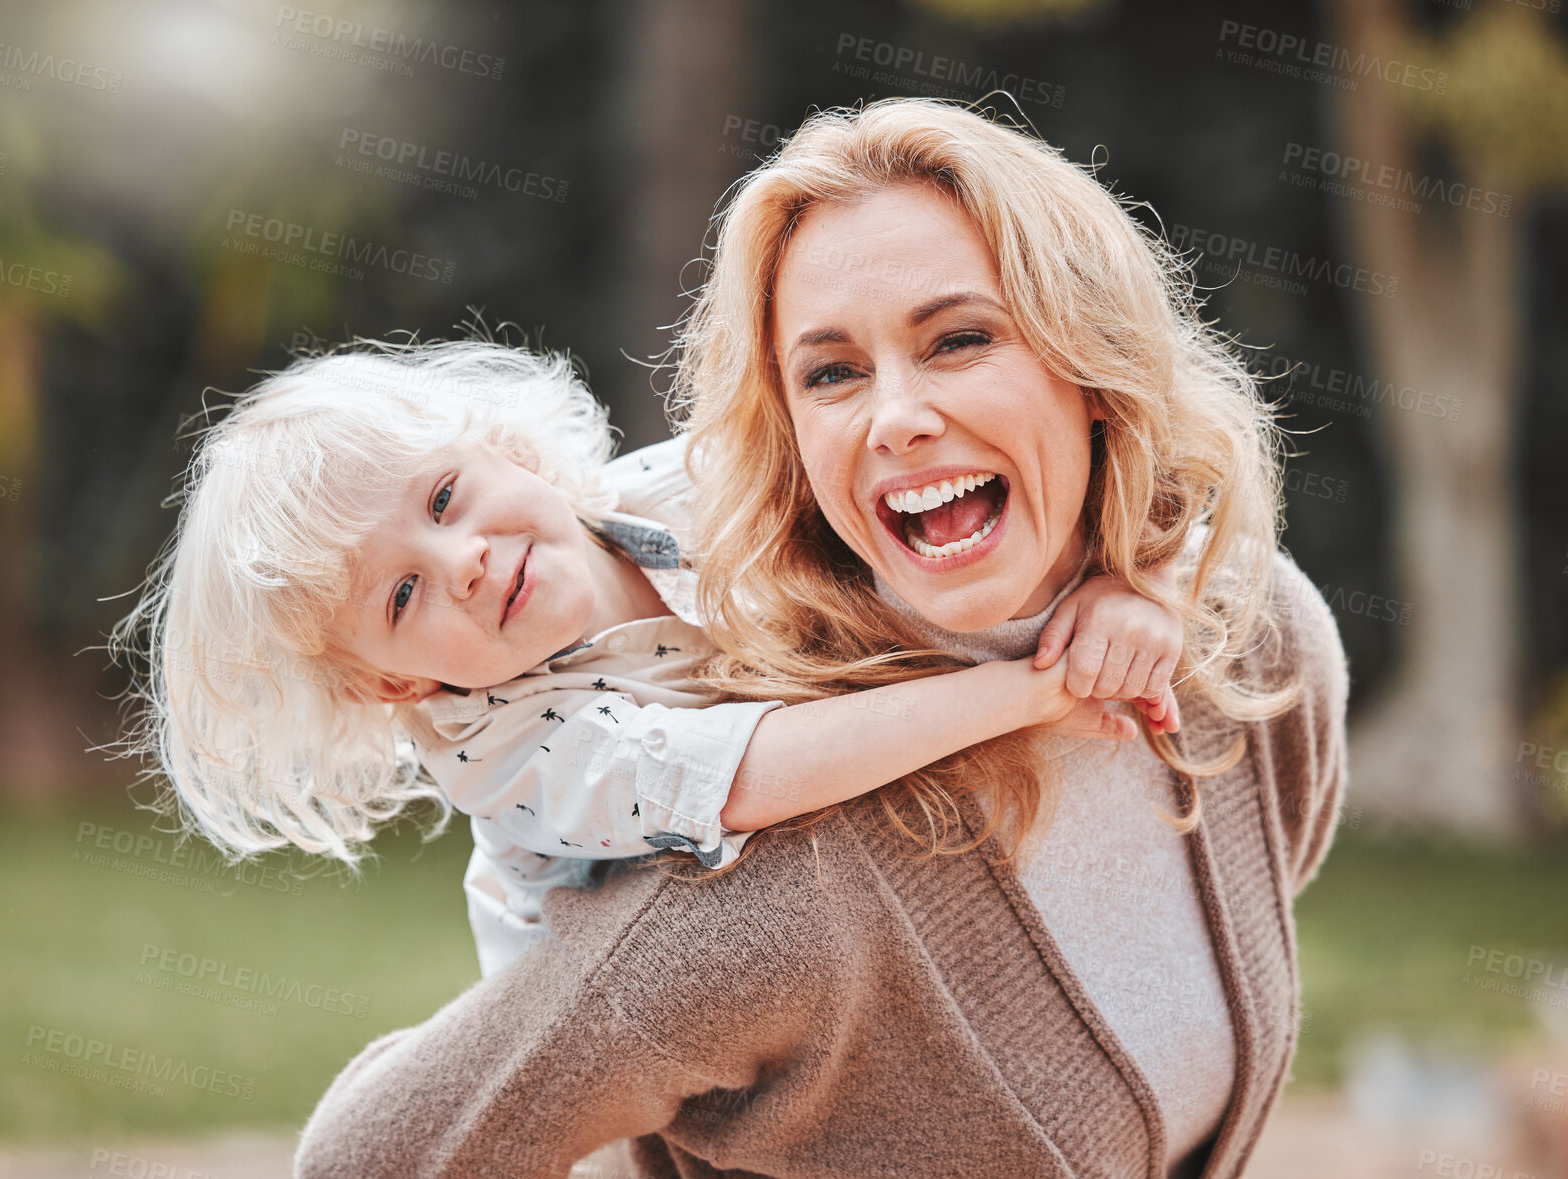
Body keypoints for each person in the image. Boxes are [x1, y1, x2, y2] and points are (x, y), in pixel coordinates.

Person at [292, 99, 1349, 1179]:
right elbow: (369, 1161)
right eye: (831, 373)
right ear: (791, 431)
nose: (896, 416)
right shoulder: (773, 897)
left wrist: (1151, 592)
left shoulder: (1252, 642)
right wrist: (1038, 689)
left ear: (1090, 361)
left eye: (959, 339)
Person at [112, 336, 1182, 979]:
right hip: (613, 1054)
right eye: (401, 596)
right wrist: (1030, 685)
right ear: (394, 682)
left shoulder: (682, 489)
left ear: (502, 447)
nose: (465, 562)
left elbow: (926, 512)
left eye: (442, 498)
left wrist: (1106, 585)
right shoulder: (510, 748)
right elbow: (752, 770)